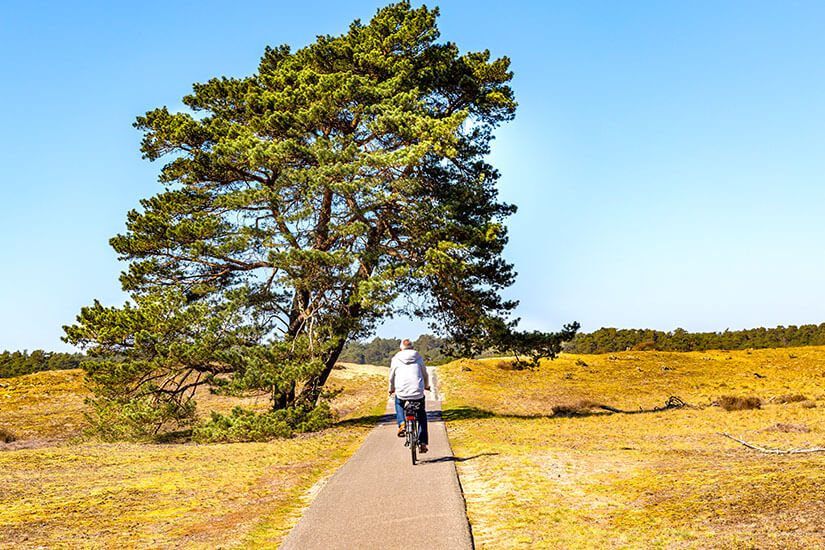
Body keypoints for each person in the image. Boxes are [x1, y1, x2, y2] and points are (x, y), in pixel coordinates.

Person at [388, 338, 430, 453]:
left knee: (398, 403)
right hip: (417, 392)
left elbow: (391, 377)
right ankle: (423, 443)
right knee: (421, 415)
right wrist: (426, 385)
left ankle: (402, 424)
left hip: (401, 391)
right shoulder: (418, 357)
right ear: (412, 348)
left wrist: (391, 389)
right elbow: (425, 374)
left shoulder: (395, 359)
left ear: (400, 348)